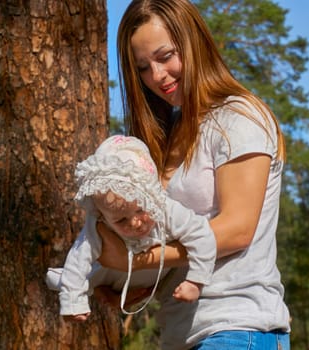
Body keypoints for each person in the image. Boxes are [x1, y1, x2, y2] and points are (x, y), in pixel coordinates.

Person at [97, 0, 291, 348]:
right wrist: (131, 281)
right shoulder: (169, 133)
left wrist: (138, 259)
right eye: (143, 67)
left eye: (165, 56)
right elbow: (178, 239)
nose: (157, 76)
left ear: (193, 41)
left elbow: (236, 230)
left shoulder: (238, 117)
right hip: (181, 333)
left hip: (238, 327)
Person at [45, 135, 216, 322]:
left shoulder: (167, 209)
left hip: (152, 272)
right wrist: (72, 304)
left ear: (153, 196)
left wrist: (195, 281)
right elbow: (79, 257)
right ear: (103, 216)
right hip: (115, 272)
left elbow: (202, 235)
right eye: (121, 220)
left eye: (141, 209)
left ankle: (72, 282)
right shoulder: (99, 224)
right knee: (84, 271)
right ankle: (71, 286)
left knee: (89, 275)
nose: (135, 223)